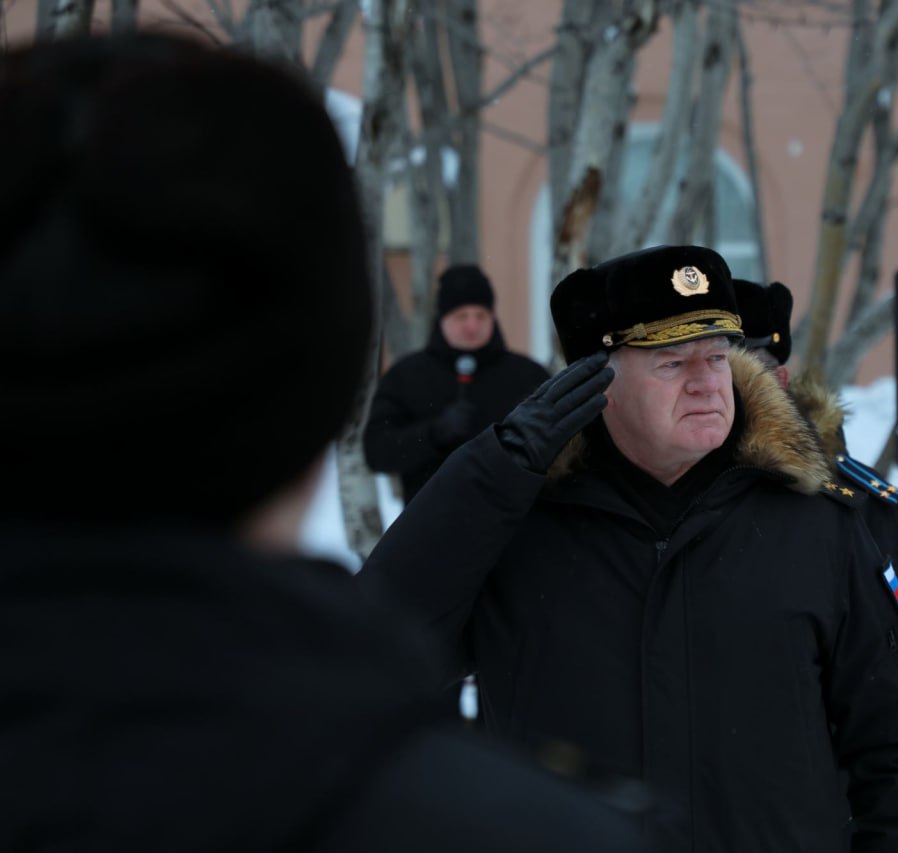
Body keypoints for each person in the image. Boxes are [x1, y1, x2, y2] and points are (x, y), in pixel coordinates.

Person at [0, 33, 650, 853]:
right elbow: (383, 449)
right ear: (312, 400)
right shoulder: (493, 826)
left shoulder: (522, 369)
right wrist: (449, 440)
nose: (471, 324)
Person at [360, 244, 898, 851]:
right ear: (599, 383)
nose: (705, 384)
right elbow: (369, 656)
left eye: (717, 357)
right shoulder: (518, 525)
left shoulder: (815, 522)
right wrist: (484, 479)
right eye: (672, 362)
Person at [731, 278, 898, 739]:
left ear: (778, 381)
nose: (709, 388)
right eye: (677, 367)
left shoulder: (860, 509)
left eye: (731, 368)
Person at [363, 264, 550, 503]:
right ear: (442, 319)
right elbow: (377, 451)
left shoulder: (527, 375)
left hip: (515, 521)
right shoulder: (407, 376)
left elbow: (557, 441)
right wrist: (432, 434)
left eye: (481, 316)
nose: (472, 326)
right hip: (429, 520)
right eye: (461, 316)